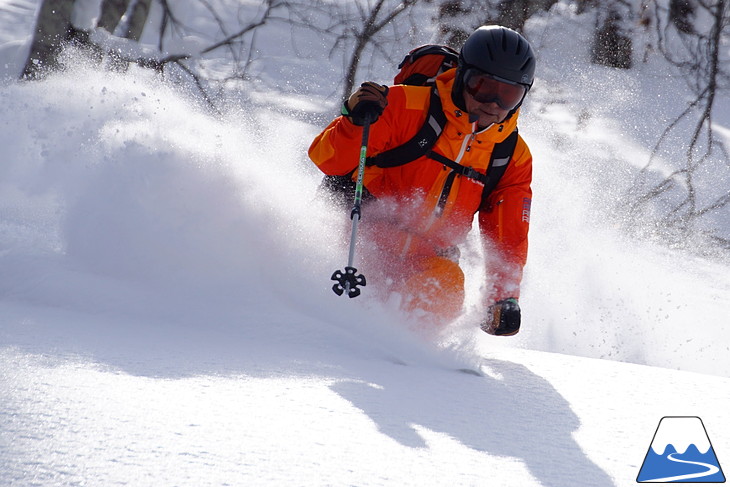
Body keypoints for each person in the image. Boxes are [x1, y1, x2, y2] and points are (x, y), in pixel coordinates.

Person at [309, 25, 536, 336]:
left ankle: (406, 357)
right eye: (483, 86)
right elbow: (328, 159)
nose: (493, 103)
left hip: (425, 261)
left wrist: (503, 298)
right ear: (463, 76)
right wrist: (353, 119)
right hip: (357, 242)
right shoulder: (405, 105)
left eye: (508, 94)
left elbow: (508, 235)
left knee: (447, 289)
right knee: (334, 302)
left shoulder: (510, 155)